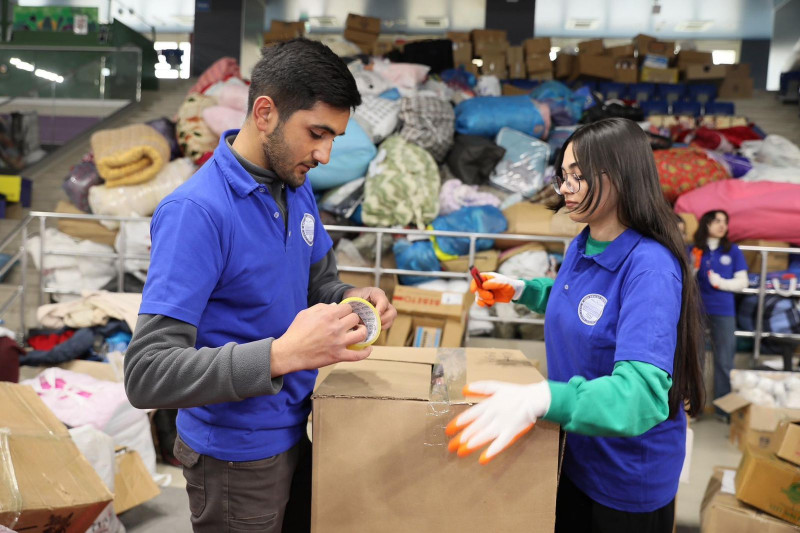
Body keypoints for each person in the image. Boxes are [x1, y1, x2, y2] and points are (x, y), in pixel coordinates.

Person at [124, 39, 397, 533]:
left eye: (334, 136)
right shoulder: (198, 213)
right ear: (266, 113)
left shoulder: (296, 185)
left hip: (302, 430)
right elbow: (147, 373)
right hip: (235, 462)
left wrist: (354, 302)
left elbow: (320, 283)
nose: (325, 154)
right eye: (316, 133)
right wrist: (281, 355)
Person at [446, 118, 705, 533]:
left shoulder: (650, 268)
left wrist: (544, 398)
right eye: (563, 176)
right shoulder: (582, 243)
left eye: (578, 177)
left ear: (620, 177)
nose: (564, 188)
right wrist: (523, 290)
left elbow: (639, 396)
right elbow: (584, 305)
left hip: (624, 481)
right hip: (574, 451)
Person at [690, 210, 748, 405]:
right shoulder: (694, 249)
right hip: (696, 311)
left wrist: (721, 282)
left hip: (724, 311)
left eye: (725, 221)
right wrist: (692, 269)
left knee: (724, 361)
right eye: (717, 221)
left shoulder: (732, 250)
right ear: (705, 224)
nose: (722, 225)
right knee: (694, 360)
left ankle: (723, 409)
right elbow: (682, 281)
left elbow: (742, 283)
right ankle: (693, 408)